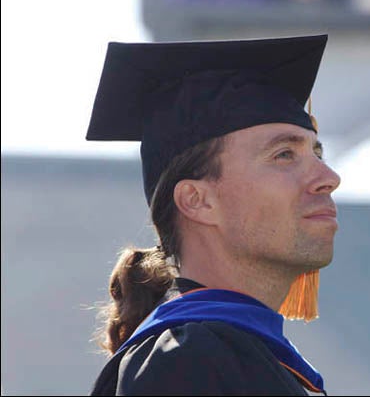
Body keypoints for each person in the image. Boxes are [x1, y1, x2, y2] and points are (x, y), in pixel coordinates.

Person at [87, 34, 340, 395]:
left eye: (318, 154)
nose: (329, 178)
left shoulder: (239, 358)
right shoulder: (185, 362)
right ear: (197, 200)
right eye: (284, 155)